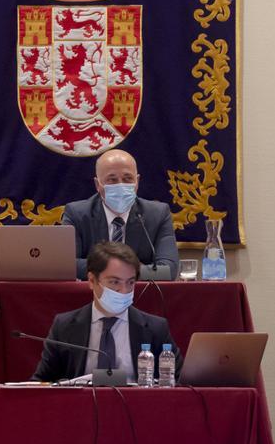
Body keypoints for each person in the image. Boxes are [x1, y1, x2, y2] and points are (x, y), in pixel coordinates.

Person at [33, 242, 181, 383]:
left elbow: (182, 381)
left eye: (130, 282)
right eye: (114, 282)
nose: (124, 291)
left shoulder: (155, 328)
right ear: (92, 281)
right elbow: (41, 383)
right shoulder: (64, 326)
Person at [61, 149, 180, 280]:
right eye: (112, 180)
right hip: (92, 296)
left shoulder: (158, 214)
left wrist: (102, 269)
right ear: (97, 184)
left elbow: (169, 270)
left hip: (142, 296)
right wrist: (130, 268)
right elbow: (67, 265)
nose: (121, 184)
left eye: (128, 179)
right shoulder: (77, 214)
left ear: (137, 181)